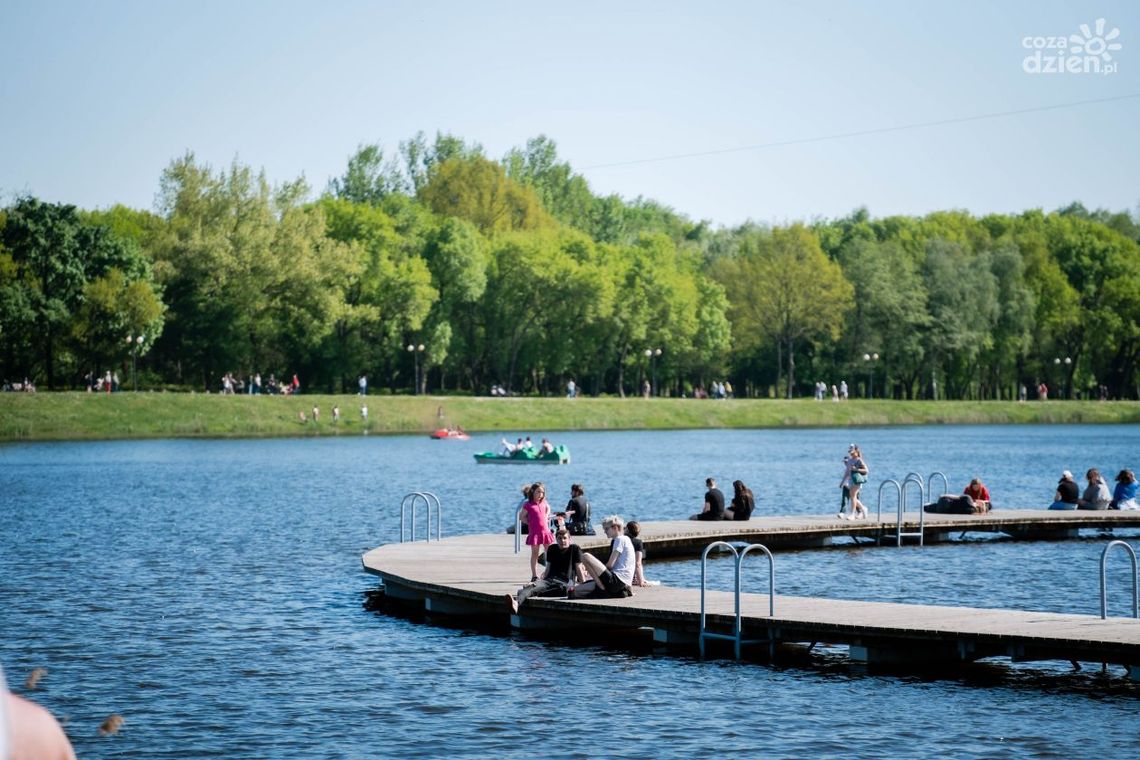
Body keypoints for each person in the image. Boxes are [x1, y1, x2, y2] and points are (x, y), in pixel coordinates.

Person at [505, 528, 585, 613]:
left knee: (530, 590)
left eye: (565, 538)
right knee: (533, 586)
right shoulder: (552, 549)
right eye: (560, 538)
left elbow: (579, 568)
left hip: (564, 583)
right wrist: (539, 582)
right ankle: (516, 603)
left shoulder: (575, 549)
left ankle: (525, 594)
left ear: (569, 539)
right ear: (556, 539)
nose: (562, 540)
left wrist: (584, 585)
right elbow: (548, 569)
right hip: (549, 580)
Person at [573, 515, 635, 599]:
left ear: (615, 528)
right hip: (621, 584)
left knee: (585, 556)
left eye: (606, 529)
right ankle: (611, 592)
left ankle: (601, 588)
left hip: (616, 581)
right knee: (574, 591)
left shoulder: (619, 539)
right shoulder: (626, 539)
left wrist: (595, 573)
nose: (605, 532)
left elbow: (610, 565)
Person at [519, 483, 555, 581]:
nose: (540, 494)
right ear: (533, 492)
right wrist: (529, 522)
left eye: (542, 492)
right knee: (535, 553)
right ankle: (534, 575)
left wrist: (547, 515)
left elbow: (548, 508)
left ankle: (550, 572)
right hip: (535, 532)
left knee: (550, 552)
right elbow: (521, 517)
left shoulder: (544, 502)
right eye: (538, 492)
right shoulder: (528, 504)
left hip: (545, 531)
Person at [839, 445, 869, 519]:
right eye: (850, 453)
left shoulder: (859, 460)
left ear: (856, 451)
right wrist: (842, 482)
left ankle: (852, 514)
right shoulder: (850, 460)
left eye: (852, 453)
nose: (851, 454)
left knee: (853, 496)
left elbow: (866, 471)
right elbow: (847, 472)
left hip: (857, 480)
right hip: (850, 480)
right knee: (853, 496)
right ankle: (863, 508)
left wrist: (856, 469)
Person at [625, 521, 657, 587]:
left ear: (627, 530)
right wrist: (641, 581)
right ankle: (636, 580)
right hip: (629, 576)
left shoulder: (617, 540)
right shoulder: (637, 542)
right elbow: (638, 563)